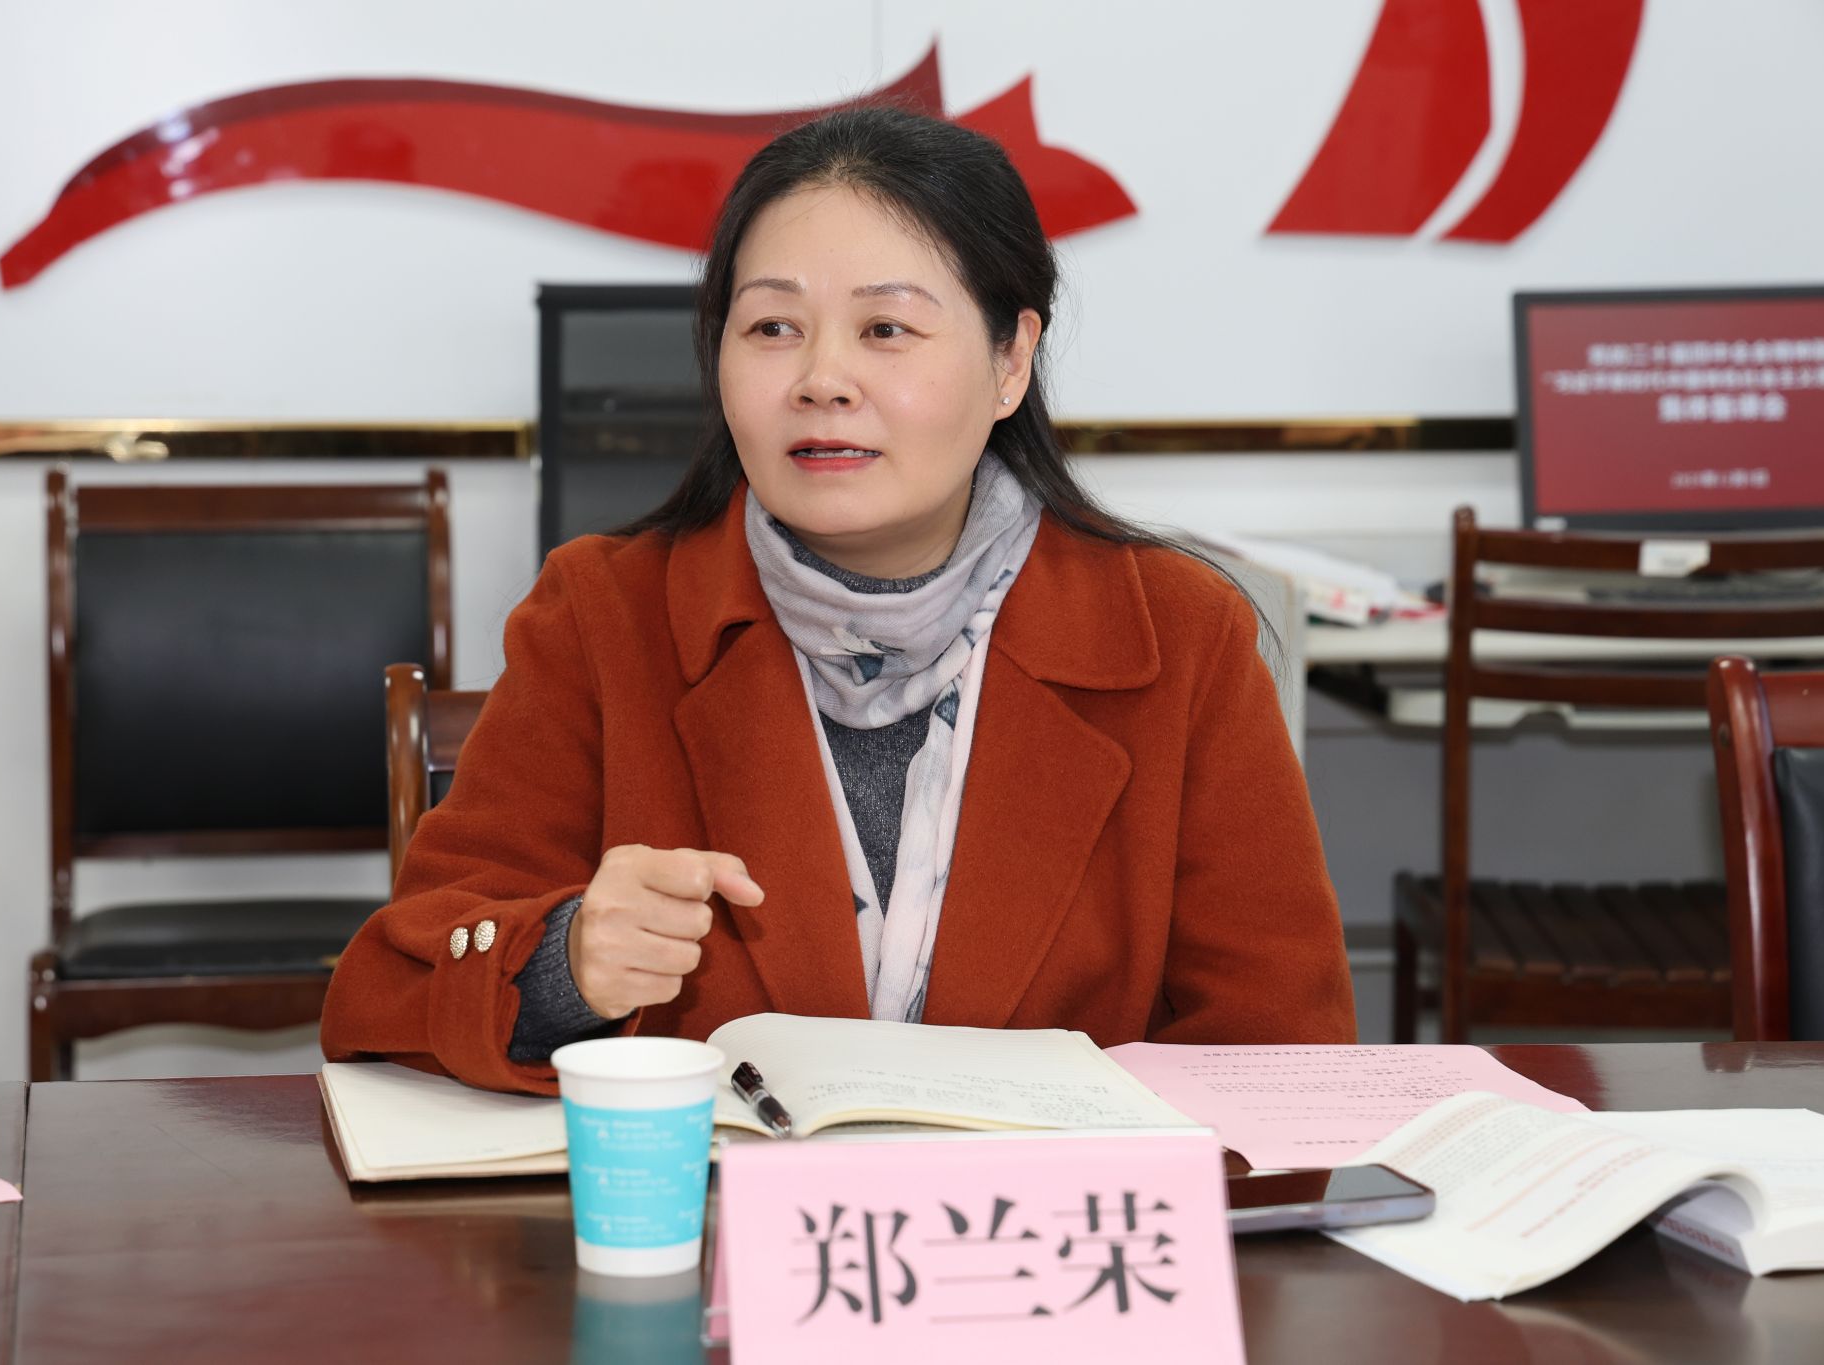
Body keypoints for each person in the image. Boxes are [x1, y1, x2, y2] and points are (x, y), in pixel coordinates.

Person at [322, 105, 1356, 1093]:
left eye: (885, 329)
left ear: (1010, 361)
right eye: (772, 327)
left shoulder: (1178, 635)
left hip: (1044, 1216)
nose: (821, 379)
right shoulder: (601, 616)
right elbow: (385, 995)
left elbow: (1283, 1050)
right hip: (709, 1210)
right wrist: (566, 960)